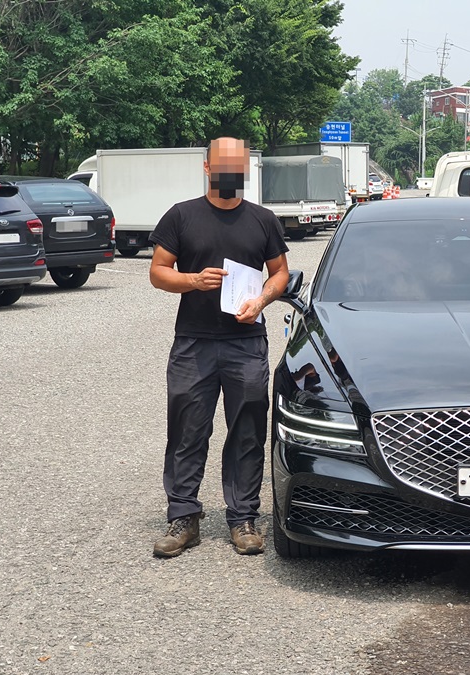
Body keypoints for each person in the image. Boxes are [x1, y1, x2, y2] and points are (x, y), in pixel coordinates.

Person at [148, 137, 289, 558]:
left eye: (237, 166)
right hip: (194, 342)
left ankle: (243, 518)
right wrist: (192, 280)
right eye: (223, 166)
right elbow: (158, 272)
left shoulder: (263, 220)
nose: (230, 173)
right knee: (187, 430)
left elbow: (280, 273)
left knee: (247, 431)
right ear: (207, 167)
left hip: (246, 343)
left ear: (244, 170)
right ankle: (184, 518)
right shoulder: (181, 215)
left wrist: (261, 301)